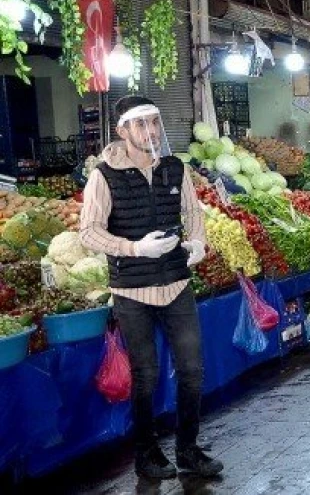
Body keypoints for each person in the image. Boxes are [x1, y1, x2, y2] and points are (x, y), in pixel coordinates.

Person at [78, 96, 223, 480]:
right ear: (122, 130)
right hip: (132, 290)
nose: (150, 131)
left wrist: (197, 243)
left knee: (192, 369)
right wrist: (133, 248)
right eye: (140, 125)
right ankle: (147, 454)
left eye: (154, 123)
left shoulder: (175, 168)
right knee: (146, 374)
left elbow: (192, 212)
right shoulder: (103, 175)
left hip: (177, 283)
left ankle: (189, 449)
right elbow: (88, 232)